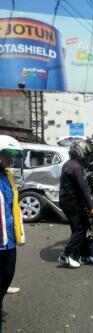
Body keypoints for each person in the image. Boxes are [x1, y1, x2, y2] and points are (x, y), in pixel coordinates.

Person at [57, 140, 93, 268]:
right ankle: (66, 255)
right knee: (79, 229)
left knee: (84, 226)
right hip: (71, 202)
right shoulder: (76, 167)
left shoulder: (69, 164)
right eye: (85, 153)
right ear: (80, 152)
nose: (86, 156)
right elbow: (83, 188)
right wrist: (91, 207)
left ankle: (85, 255)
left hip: (69, 201)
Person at [0, 136, 25, 328]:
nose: (11, 159)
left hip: (8, 237)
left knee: (8, 274)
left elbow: (12, 205)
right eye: (7, 155)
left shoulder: (8, 175)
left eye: (12, 155)